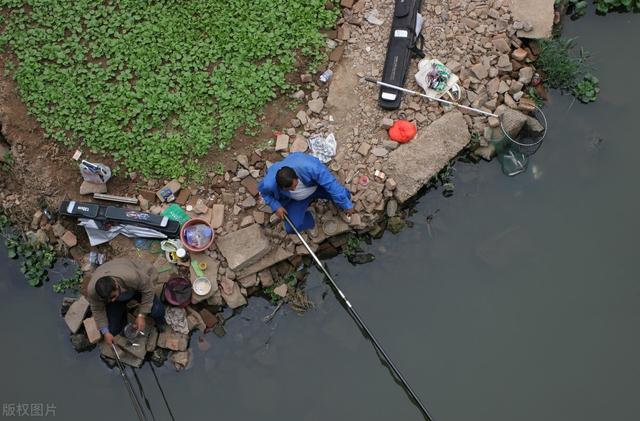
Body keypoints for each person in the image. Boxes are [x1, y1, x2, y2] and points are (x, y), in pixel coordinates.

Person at [258, 152, 354, 233]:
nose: (294, 190)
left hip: (316, 188)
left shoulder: (311, 168)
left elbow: (331, 185)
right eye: (290, 189)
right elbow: (265, 194)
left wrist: (346, 205)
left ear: (296, 176)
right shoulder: (269, 184)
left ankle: (340, 206)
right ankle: (311, 216)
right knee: (292, 227)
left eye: (295, 186)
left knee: (345, 196)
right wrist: (276, 206)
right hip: (295, 200)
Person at [86, 257, 165, 346]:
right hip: (120, 290)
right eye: (108, 299)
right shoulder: (93, 292)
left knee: (157, 311)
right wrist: (105, 332)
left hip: (135, 288)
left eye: (113, 296)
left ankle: (160, 323)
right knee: (112, 330)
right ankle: (124, 320)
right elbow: (97, 309)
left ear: (116, 285)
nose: (112, 300)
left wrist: (142, 315)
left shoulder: (132, 277)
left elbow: (148, 290)